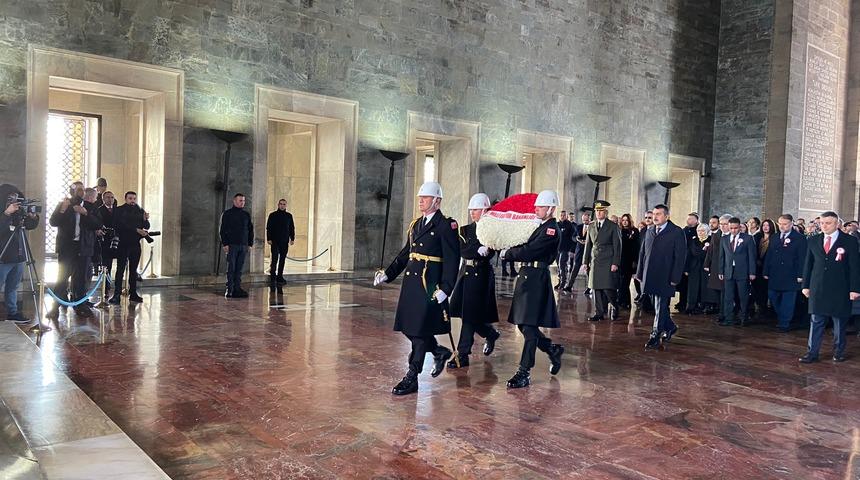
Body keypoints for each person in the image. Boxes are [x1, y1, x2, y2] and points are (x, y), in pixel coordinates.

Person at [374, 182, 459, 395]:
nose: (421, 200)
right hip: (411, 285)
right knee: (407, 326)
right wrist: (388, 273)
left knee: (420, 331)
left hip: (429, 285)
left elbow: (452, 260)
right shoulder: (416, 225)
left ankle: (412, 376)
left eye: (426, 197)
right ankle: (438, 351)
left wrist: (446, 288)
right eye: (420, 197)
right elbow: (405, 254)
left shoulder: (446, 225)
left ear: (437, 201)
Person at [498, 190, 564, 388]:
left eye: (541, 207)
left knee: (528, 325)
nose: (536, 209)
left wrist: (508, 253)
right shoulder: (540, 226)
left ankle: (524, 371)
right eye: (536, 206)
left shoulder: (551, 230)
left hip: (536, 278)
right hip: (527, 276)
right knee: (524, 324)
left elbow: (530, 250)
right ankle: (552, 349)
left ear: (551, 209)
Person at [799, 211, 860, 363]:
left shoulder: (849, 241)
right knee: (816, 320)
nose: (824, 226)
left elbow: (854, 267)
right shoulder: (813, 240)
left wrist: (855, 289)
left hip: (840, 288)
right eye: (822, 223)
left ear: (837, 224)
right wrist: (805, 285)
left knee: (839, 322)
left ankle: (838, 352)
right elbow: (808, 264)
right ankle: (812, 353)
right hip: (818, 287)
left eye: (828, 223)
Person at [448, 193, 499, 368]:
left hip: (481, 275)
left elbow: (491, 252)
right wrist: (477, 249)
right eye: (471, 210)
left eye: (476, 210)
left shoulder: (491, 231)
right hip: (466, 274)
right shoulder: (464, 230)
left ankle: (462, 354)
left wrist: (484, 250)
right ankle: (490, 334)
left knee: (469, 315)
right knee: (468, 315)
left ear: (484, 210)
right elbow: (462, 250)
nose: (472, 213)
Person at [48, 182, 101, 317]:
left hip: (84, 246)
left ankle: (80, 305)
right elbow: (53, 222)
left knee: (81, 279)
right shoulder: (64, 204)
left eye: (82, 189)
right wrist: (62, 210)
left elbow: (98, 224)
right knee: (62, 277)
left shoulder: (90, 206)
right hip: (67, 247)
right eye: (78, 189)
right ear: (72, 191)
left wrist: (85, 213)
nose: (81, 192)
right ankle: (55, 307)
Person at [637, 204, 686, 349]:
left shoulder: (676, 232)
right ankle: (670, 327)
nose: (655, 217)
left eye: (658, 214)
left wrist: (675, 278)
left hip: (666, 276)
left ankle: (655, 336)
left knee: (661, 306)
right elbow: (642, 253)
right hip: (650, 275)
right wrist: (639, 273)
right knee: (657, 306)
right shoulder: (650, 230)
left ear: (666, 216)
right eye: (654, 214)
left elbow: (680, 257)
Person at [0, 184, 39, 322]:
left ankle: (12, 312)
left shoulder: (18, 212)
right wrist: (6, 214)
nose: (14, 200)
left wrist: (32, 217)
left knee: (13, 286)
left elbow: (29, 226)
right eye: (11, 198)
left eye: (16, 197)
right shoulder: (4, 212)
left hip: (18, 255)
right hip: (3, 255)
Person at [763, 214, 807, 332]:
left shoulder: (800, 238)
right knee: (772, 296)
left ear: (791, 224)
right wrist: (766, 270)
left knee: (788, 301)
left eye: (785, 224)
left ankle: (784, 323)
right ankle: (783, 317)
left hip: (791, 274)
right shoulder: (775, 237)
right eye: (780, 224)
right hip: (775, 273)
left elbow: (802, 258)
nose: (782, 226)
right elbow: (769, 255)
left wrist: (801, 274)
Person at [583, 200, 622, 321]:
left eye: (601, 211)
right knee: (596, 287)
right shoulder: (591, 226)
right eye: (597, 211)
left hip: (608, 260)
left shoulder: (613, 226)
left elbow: (617, 246)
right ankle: (599, 313)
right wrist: (585, 262)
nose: (598, 213)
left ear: (606, 212)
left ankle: (615, 306)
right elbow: (588, 245)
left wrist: (615, 263)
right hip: (595, 260)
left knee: (608, 287)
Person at [109, 191, 150, 304]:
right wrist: (136, 230)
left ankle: (133, 293)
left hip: (135, 244)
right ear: (126, 199)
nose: (132, 201)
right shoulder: (119, 210)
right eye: (130, 198)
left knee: (133, 270)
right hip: (123, 244)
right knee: (120, 269)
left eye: (134, 198)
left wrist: (145, 219)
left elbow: (147, 226)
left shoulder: (140, 210)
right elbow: (119, 225)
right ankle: (117, 294)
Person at [718, 217, 756, 326]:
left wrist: (752, 272)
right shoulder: (724, 239)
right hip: (728, 271)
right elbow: (722, 256)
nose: (733, 230)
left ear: (739, 227)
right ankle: (728, 318)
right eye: (731, 228)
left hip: (743, 271)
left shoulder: (748, 238)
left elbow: (752, 257)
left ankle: (744, 318)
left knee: (743, 296)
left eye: (735, 228)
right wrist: (721, 271)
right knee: (728, 296)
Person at [220, 193, 254, 299]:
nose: (242, 202)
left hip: (243, 245)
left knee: (239, 269)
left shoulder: (246, 214)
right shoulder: (227, 214)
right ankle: (229, 289)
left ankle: (237, 288)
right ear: (234, 201)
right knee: (231, 268)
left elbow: (250, 230)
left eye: (243, 201)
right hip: (232, 245)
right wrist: (225, 243)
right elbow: (223, 230)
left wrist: (250, 244)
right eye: (240, 200)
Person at [266, 199, 296, 285]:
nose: (282, 206)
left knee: (282, 259)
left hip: (284, 241)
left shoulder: (289, 216)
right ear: (278, 205)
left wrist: (292, 238)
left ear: (286, 205)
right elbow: (269, 227)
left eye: (284, 204)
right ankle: (273, 276)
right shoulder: (272, 215)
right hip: (275, 241)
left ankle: (280, 276)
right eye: (281, 204)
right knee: (274, 259)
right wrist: (269, 238)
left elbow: (291, 228)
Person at [675, 213, 700, 312]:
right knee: (683, 284)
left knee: (692, 285)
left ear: (696, 220)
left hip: (693, 261)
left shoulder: (698, 230)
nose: (688, 221)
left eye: (691, 219)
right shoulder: (684, 230)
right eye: (688, 219)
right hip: (683, 260)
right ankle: (682, 302)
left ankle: (691, 303)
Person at [751, 219, 776, 317]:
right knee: (756, 288)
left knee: (765, 289)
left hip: (768, 268)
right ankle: (758, 307)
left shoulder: (774, 238)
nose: (765, 227)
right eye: (764, 225)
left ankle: (765, 309)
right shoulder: (757, 237)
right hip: (757, 267)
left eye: (768, 225)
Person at [684, 224, 710, 314]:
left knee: (704, 287)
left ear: (707, 232)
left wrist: (701, 252)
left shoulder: (710, 240)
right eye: (699, 231)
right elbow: (690, 254)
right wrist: (686, 269)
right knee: (692, 287)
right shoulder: (693, 240)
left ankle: (703, 306)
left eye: (703, 231)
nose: (700, 233)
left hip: (705, 267)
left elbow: (709, 255)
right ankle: (691, 306)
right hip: (694, 267)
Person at [564, 209, 590, 293]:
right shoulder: (578, 227)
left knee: (588, 270)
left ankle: (589, 288)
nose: (585, 222)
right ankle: (569, 286)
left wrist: (587, 242)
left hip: (588, 252)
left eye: (587, 220)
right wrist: (577, 239)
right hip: (579, 251)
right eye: (584, 220)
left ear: (589, 219)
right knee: (575, 269)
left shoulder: (593, 227)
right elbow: (573, 237)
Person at [617, 213, 640, 310]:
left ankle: (624, 302)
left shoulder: (635, 231)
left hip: (630, 261)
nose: (625, 222)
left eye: (626, 220)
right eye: (623, 220)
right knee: (621, 282)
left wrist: (635, 261)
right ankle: (623, 301)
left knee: (625, 282)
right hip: (620, 260)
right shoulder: (619, 230)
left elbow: (636, 247)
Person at [96, 191, 116, 296]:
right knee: (105, 264)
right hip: (104, 240)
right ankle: (105, 288)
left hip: (115, 240)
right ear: (103, 199)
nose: (110, 199)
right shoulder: (99, 210)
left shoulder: (117, 210)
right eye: (108, 197)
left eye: (112, 197)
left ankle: (110, 287)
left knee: (110, 264)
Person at [555, 210, 574, 290]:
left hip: (565, 249)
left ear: (566, 216)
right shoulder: (556, 224)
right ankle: (560, 281)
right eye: (561, 215)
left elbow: (573, 238)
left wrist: (571, 250)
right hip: (557, 249)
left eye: (564, 215)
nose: (562, 217)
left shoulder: (569, 225)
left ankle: (563, 282)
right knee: (558, 265)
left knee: (562, 264)